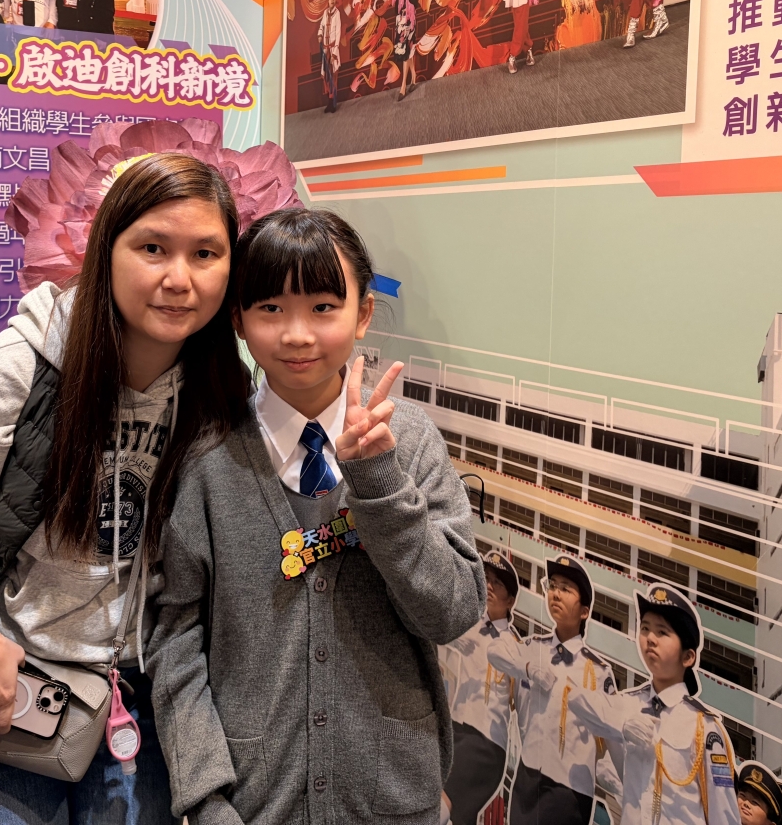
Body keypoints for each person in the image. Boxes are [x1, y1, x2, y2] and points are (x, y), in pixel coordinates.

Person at [0, 152, 248, 824]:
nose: (179, 279)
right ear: (105, 248)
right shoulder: (7, 373)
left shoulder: (221, 393)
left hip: (147, 701)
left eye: (205, 253)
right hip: (14, 692)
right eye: (152, 248)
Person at [149, 207, 486, 825]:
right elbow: (175, 637)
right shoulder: (206, 456)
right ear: (237, 319)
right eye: (271, 308)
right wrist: (205, 796)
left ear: (363, 314)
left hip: (392, 801)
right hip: (253, 804)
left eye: (324, 307)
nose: (298, 334)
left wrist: (379, 483)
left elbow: (451, 613)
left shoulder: (409, 441)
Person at [561, 584, 740, 825]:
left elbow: (724, 817)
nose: (650, 639)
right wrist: (623, 723)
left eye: (662, 632)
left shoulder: (704, 728)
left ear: (688, 657)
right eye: (645, 628)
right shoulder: (629, 704)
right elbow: (576, 699)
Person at [487, 555, 620, 825]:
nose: (556, 594)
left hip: (569, 789)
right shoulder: (532, 648)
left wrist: (627, 793)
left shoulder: (598, 672)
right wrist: (527, 668)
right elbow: (495, 651)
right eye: (553, 586)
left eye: (566, 589)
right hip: (527, 778)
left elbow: (611, 743)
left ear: (584, 612)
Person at [440, 549, 521, 825]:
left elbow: (523, 705)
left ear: (510, 601)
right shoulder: (468, 625)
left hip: (485, 742)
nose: (489, 586)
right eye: (487, 578)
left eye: (497, 583)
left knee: (439, 805)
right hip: (455, 731)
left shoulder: (516, 648)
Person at [317, 0, 343, 113]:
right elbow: (321, 26)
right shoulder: (325, 13)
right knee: (326, 76)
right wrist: (320, 34)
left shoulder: (337, 14)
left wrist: (334, 54)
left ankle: (333, 103)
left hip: (333, 50)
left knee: (333, 76)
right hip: (326, 50)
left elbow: (338, 34)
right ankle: (329, 102)